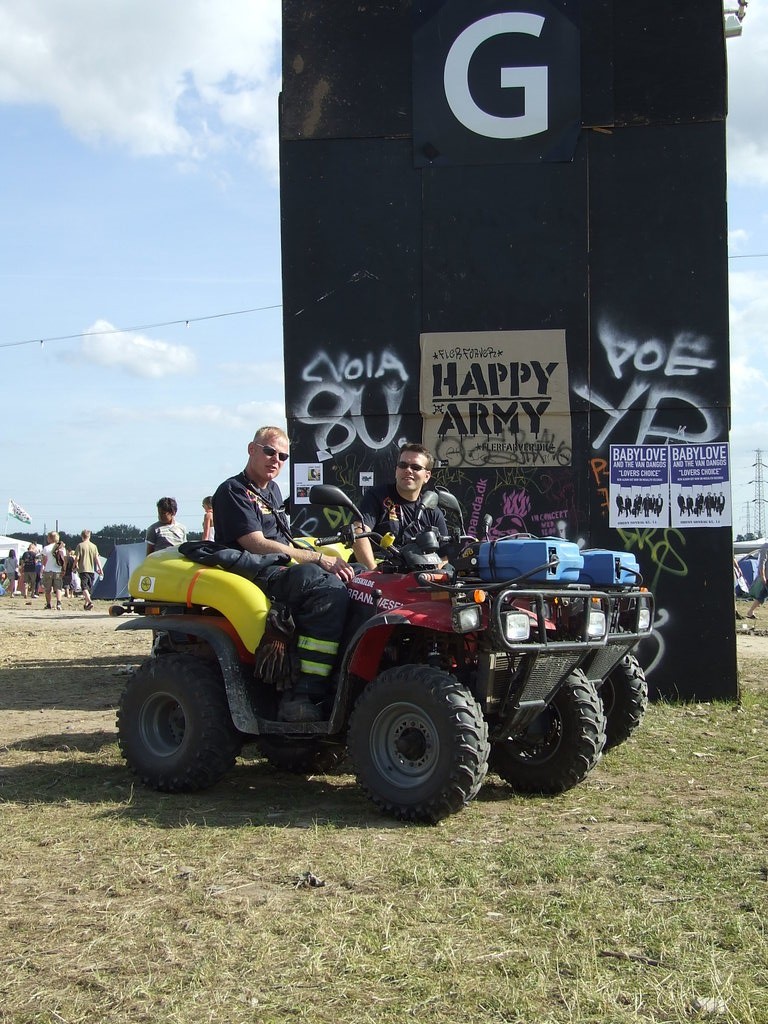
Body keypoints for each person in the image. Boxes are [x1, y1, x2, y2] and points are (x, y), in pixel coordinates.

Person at [213, 425, 353, 722]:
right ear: (251, 449)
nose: (276, 460)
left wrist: (324, 556)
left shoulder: (272, 491)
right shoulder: (233, 491)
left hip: (278, 567)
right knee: (325, 589)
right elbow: (256, 544)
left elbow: (282, 540)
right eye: (269, 451)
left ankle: (346, 676)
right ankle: (303, 693)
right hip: (251, 571)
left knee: (356, 577)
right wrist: (316, 558)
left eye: (283, 456)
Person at [352, 442, 448, 570]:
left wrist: (431, 574)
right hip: (379, 571)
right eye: (403, 465)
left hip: (417, 576)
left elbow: (444, 556)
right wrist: (373, 571)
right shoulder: (377, 496)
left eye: (415, 467)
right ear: (396, 471)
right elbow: (358, 533)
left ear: (427, 476)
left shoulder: (432, 511)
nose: (408, 470)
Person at [75, 529, 104, 611]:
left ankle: (90, 602)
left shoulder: (80, 545)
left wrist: (74, 565)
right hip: (91, 570)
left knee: (84, 587)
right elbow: (97, 558)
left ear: (82, 536)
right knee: (89, 588)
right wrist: (100, 569)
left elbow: (77, 558)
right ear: (89, 536)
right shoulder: (94, 546)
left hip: (83, 569)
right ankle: (86, 604)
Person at [41, 531, 67, 610]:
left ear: (50, 538)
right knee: (58, 588)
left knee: (48, 589)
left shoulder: (46, 548)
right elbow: (64, 560)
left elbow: (44, 561)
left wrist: (44, 567)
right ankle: (58, 603)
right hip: (58, 570)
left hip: (48, 570)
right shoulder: (62, 548)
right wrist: (64, 569)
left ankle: (48, 604)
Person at [745, 542, 768, 620]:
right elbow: (762, 563)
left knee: (763, 595)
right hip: (767, 576)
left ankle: (750, 612)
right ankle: (750, 612)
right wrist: (763, 576)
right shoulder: (765, 548)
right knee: (763, 594)